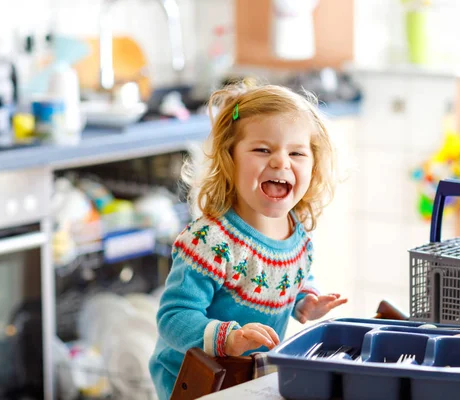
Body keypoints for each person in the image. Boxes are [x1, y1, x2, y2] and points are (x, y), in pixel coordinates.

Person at [149, 83, 348, 399]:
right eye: (263, 150)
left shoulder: (296, 233)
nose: (281, 162)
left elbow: (292, 277)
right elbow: (172, 319)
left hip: (247, 377)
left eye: (296, 152)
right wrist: (228, 339)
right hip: (193, 383)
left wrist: (306, 300)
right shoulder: (210, 242)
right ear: (230, 158)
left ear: (313, 163)